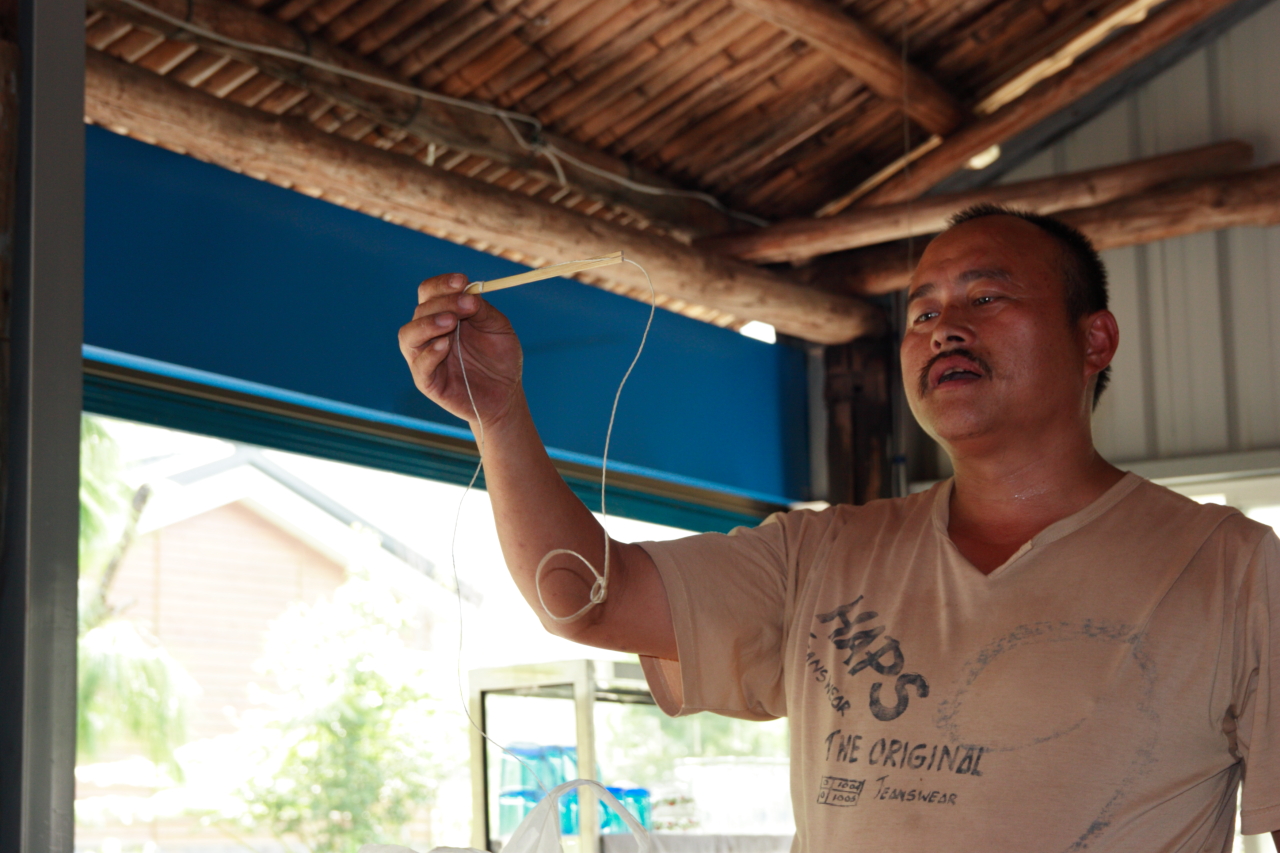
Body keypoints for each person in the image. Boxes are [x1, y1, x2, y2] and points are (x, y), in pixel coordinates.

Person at [399, 205, 1280, 851]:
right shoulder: (821, 551)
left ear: (1096, 340)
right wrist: (499, 415)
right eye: (923, 311)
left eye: (986, 296)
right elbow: (583, 599)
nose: (944, 328)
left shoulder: (1233, 568)